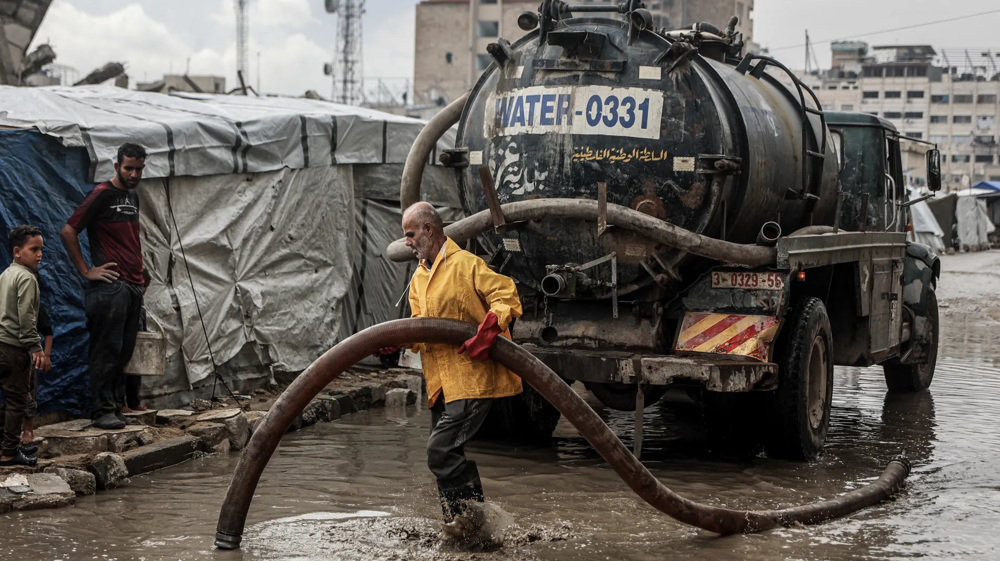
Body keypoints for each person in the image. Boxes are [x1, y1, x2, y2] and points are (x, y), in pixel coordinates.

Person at [397, 201, 523, 539]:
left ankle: (472, 522)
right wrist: (395, 341)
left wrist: (488, 330)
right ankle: (463, 527)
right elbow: (421, 330)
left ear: (428, 229)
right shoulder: (419, 278)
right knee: (445, 456)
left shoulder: (467, 264)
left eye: (410, 234)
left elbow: (506, 294)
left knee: (440, 452)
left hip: (472, 379)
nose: (408, 241)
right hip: (441, 384)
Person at [61, 143, 147, 431]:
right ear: (116, 166)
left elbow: (130, 241)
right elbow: (69, 230)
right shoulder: (102, 194)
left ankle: (115, 405)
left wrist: (142, 275)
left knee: (124, 352)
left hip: (133, 285)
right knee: (106, 350)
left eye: (138, 168)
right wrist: (86, 270)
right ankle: (101, 410)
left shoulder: (132, 196)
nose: (133, 174)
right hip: (111, 287)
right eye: (128, 168)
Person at [0, 225, 46, 467]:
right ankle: (8, 453)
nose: (39, 254)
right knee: (17, 400)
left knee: (8, 400)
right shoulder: (27, 278)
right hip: (14, 348)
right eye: (34, 249)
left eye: (41, 250)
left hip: (1, 345)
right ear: (17, 251)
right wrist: (35, 346)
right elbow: (26, 315)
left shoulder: (6, 274)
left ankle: (5, 447)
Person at [21, 271, 53, 450]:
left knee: (28, 394)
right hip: (9, 352)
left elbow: (47, 331)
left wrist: (45, 355)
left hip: (28, 355)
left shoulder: (37, 306)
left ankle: (28, 429)